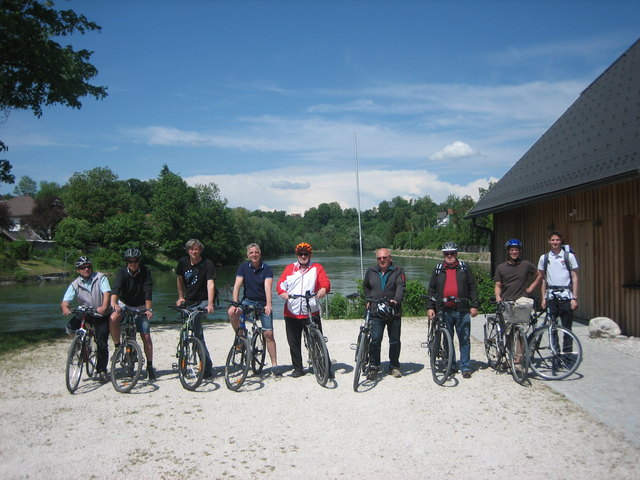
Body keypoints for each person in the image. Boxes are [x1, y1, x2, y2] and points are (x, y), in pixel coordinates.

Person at [276, 242, 331, 378]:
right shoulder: (290, 268)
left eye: (306, 254)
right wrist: (282, 292)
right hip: (292, 311)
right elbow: (280, 283)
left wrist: (323, 289)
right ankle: (298, 368)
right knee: (293, 342)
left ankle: (325, 366)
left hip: (310, 310)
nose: (303, 256)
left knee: (318, 341)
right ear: (297, 255)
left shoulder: (316, 268)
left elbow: (325, 282)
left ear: (310, 255)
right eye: (301, 254)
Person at [427, 242, 479, 379]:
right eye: (446, 254)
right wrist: (430, 307)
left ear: (456, 254)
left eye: (452, 253)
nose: (449, 256)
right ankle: (451, 365)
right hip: (444, 310)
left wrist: (474, 305)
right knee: (447, 338)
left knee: (464, 338)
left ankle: (465, 367)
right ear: (443, 255)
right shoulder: (438, 269)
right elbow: (431, 289)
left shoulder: (464, 267)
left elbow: (472, 287)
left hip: (462, 309)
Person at [228, 243, 279, 376]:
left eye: (256, 252)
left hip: (262, 302)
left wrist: (268, 304)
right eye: (251, 253)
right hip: (247, 301)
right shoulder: (243, 267)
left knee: (268, 334)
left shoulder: (266, 268)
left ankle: (274, 365)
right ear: (248, 255)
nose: (254, 255)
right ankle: (241, 337)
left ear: (260, 253)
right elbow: (237, 285)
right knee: (232, 313)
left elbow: (268, 287)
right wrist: (235, 303)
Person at [61, 256, 112, 383]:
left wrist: (104, 306)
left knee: (102, 341)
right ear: (78, 270)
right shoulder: (75, 284)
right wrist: (66, 308)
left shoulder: (100, 278)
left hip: (100, 313)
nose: (86, 269)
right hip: (86, 312)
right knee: (70, 327)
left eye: (88, 266)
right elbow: (65, 301)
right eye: (83, 267)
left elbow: (106, 293)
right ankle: (80, 346)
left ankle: (102, 370)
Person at [109, 248, 156, 381]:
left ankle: (150, 366)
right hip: (125, 303)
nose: (133, 264)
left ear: (139, 261)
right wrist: (114, 303)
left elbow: (148, 290)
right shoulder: (122, 272)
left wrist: (148, 309)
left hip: (141, 305)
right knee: (113, 318)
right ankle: (118, 347)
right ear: (126, 262)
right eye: (129, 261)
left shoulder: (146, 271)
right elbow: (116, 289)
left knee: (146, 336)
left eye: (135, 261)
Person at [363, 247, 406, 379]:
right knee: (375, 340)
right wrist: (368, 298)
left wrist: (396, 300)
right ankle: (374, 366)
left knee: (394, 341)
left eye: (385, 257)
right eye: (379, 258)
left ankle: (394, 366)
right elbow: (366, 286)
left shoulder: (398, 271)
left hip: (393, 310)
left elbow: (401, 286)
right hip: (376, 310)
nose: (382, 260)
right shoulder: (371, 271)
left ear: (390, 258)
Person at [175, 238, 215, 378]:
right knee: (184, 332)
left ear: (200, 250)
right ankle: (183, 361)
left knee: (198, 334)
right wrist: (181, 297)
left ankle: (206, 367)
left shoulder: (207, 264)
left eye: (197, 249)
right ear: (188, 251)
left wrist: (210, 304)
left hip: (202, 301)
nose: (194, 251)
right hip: (188, 301)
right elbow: (179, 278)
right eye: (191, 249)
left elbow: (210, 284)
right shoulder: (183, 262)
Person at [537, 231, 579, 334]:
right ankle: (555, 349)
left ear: (561, 241)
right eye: (552, 240)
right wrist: (543, 298)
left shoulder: (569, 257)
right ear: (548, 241)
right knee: (552, 326)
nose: (555, 242)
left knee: (567, 327)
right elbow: (543, 279)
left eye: (557, 240)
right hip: (551, 296)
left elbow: (574, 277)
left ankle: (567, 350)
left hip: (566, 296)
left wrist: (574, 298)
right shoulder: (544, 258)